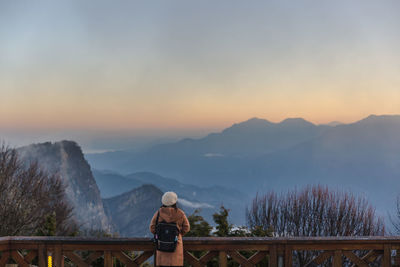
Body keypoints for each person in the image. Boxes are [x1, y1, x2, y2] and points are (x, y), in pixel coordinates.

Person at [150, 191, 190, 267]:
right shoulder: (180, 213)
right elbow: (186, 228)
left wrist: (161, 234)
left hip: (162, 247)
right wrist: (178, 234)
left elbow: (152, 228)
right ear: (175, 201)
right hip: (176, 247)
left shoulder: (158, 213)